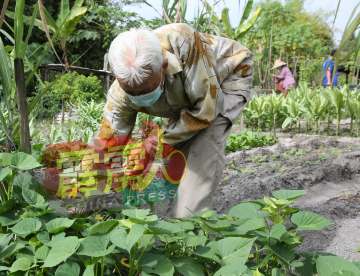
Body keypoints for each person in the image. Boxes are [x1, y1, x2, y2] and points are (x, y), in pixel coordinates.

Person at [97, 24, 254, 218]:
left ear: (163, 67)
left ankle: (188, 228)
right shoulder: (119, 94)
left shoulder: (184, 42)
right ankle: (180, 212)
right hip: (186, 92)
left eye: (145, 91)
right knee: (173, 155)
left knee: (201, 150)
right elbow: (107, 144)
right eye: (131, 92)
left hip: (227, 75)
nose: (137, 97)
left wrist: (152, 146)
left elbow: (205, 110)